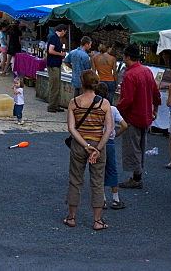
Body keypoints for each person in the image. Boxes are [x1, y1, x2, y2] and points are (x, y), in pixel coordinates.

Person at [63, 69, 114, 231]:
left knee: (75, 180)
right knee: (97, 182)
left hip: (80, 145)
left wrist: (85, 145)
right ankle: (97, 221)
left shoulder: (74, 103)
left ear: (82, 83)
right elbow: (109, 129)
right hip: (98, 144)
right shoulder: (104, 104)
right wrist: (97, 149)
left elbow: (71, 128)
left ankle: (71, 217)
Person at [116, 44, 160, 189]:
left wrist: (115, 110)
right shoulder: (147, 71)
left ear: (127, 57)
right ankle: (137, 175)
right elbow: (155, 92)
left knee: (132, 147)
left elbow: (127, 99)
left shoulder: (130, 75)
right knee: (140, 146)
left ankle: (136, 177)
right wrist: (155, 109)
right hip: (145, 114)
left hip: (133, 115)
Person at [96, 82, 127, 210]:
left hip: (97, 142)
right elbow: (125, 125)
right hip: (110, 142)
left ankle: (101, 199)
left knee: (99, 171)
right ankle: (115, 199)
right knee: (112, 169)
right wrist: (116, 134)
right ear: (108, 94)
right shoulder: (113, 109)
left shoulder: (94, 108)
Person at [46, 25, 67, 113]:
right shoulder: (53, 38)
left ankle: (55, 104)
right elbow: (50, 50)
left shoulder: (57, 39)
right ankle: (51, 105)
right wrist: (60, 54)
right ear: (62, 31)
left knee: (57, 85)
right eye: (65, 32)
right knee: (54, 85)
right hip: (53, 64)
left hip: (57, 64)